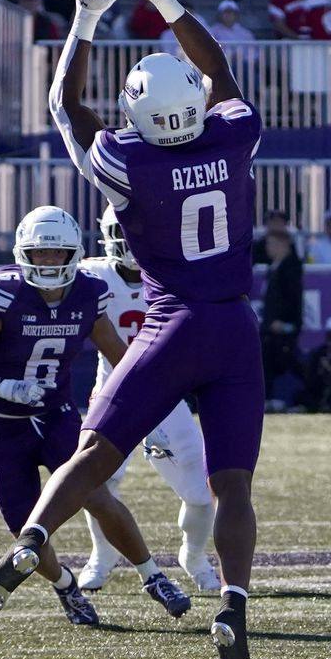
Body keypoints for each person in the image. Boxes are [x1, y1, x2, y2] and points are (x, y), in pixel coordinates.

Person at [0, 0, 266, 659]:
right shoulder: (232, 137)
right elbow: (219, 73)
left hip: (169, 323)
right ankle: (231, 601)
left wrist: (87, 15)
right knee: (232, 486)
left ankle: (32, 539)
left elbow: (64, 104)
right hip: (234, 327)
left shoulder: (128, 161)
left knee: (95, 451)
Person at [0, 206, 192, 628]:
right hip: (2, 424)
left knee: (95, 495)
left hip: (57, 414)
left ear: (72, 254)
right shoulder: (2, 294)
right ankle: (65, 586)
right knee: (26, 528)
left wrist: (148, 410)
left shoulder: (88, 294)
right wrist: (4, 386)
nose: (47, 262)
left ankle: (152, 576)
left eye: (56, 253)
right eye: (39, 254)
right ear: (23, 254)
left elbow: (120, 358)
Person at [75, 206, 221, 593]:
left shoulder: (176, 272)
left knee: (203, 489)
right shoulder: (92, 275)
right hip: (113, 394)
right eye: (124, 233)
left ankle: (193, 555)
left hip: (166, 394)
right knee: (98, 481)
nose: (132, 243)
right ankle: (101, 555)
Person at [260, 227, 304, 411]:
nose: (267, 248)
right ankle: (266, 398)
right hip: (271, 327)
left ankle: (315, 390)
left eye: (271, 243)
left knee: (289, 361)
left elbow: (293, 299)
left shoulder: (291, 266)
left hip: (283, 327)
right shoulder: (275, 267)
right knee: (267, 361)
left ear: (283, 244)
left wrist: (286, 324)